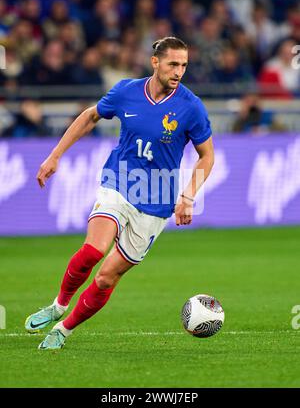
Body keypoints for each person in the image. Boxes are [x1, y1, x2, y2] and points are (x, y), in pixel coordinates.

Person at [24, 36, 214, 350]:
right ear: (155, 62)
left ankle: (64, 329)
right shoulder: (127, 91)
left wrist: (188, 195)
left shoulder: (191, 107)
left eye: (183, 65)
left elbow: (208, 155)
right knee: (94, 250)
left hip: (156, 203)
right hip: (120, 183)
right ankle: (58, 304)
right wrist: (55, 155)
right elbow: (90, 116)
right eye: (172, 64)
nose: (179, 71)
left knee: (106, 278)